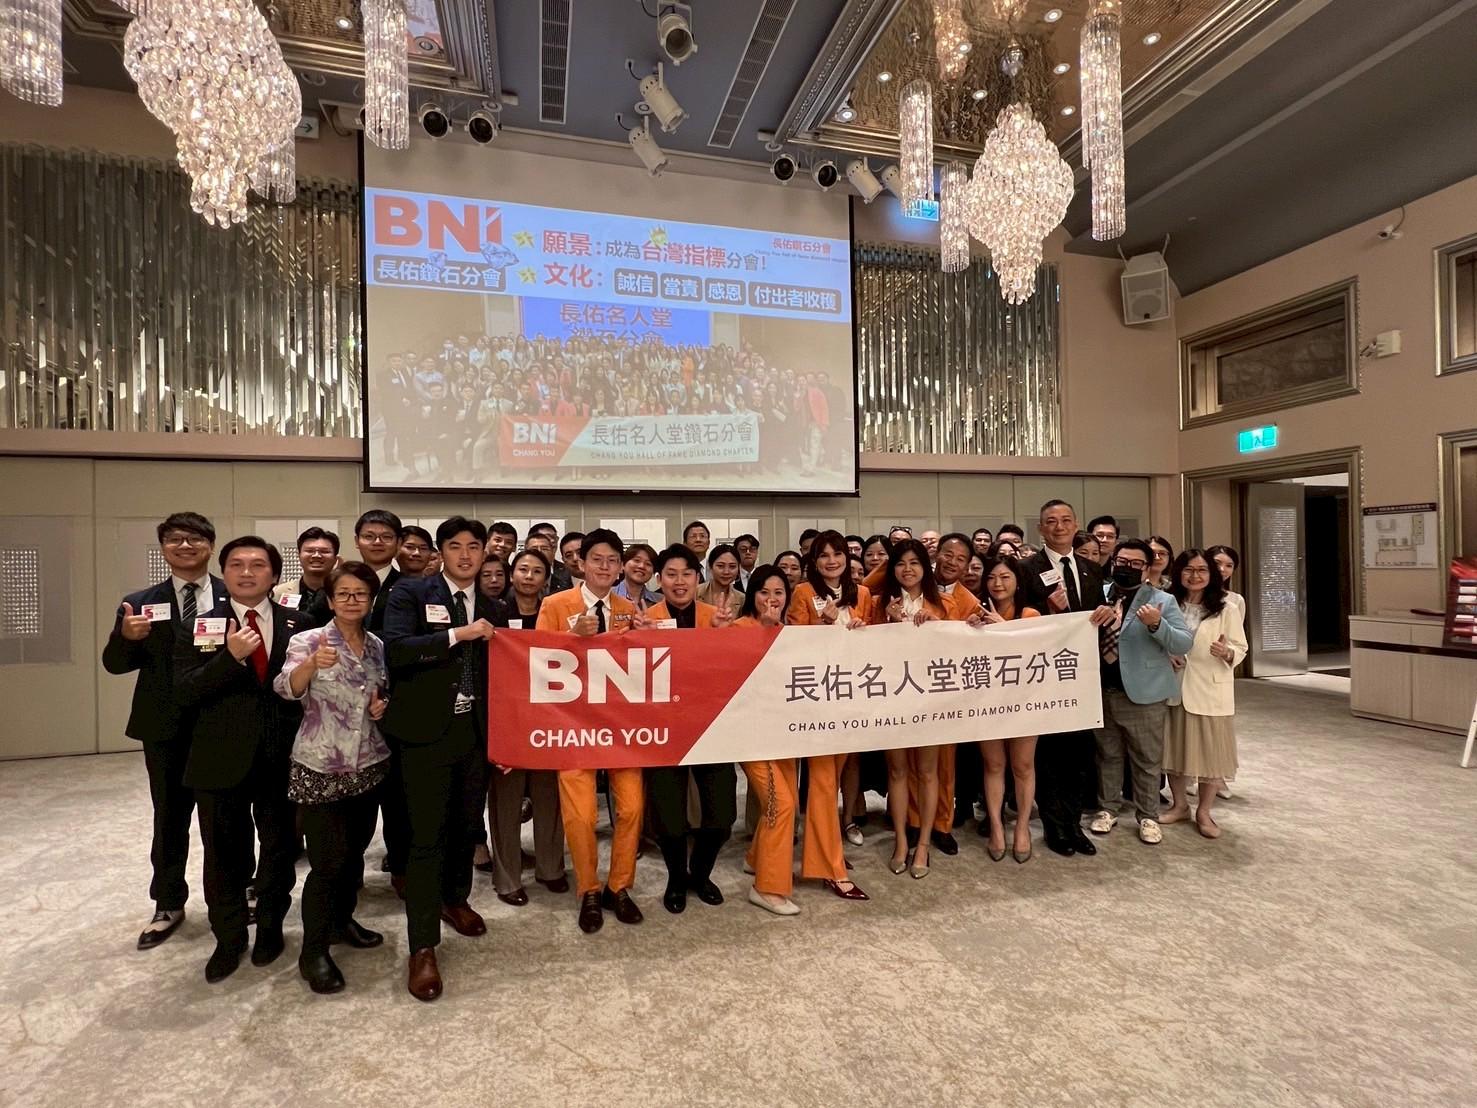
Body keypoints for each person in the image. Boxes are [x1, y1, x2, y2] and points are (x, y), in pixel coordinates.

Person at [174, 536, 310, 984]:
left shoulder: (299, 622)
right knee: (224, 854)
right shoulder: (199, 625)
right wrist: (229, 658)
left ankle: (270, 927)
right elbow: (184, 690)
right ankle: (228, 937)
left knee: (278, 849)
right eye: (236, 564)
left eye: (257, 565)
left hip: (281, 757)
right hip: (218, 759)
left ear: (274, 574)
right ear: (224, 572)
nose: (247, 572)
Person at [380, 517, 497, 1002]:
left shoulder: (494, 603)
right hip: (425, 735)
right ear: (440, 552)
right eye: (455, 546)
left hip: (476, 735)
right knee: (426, 838)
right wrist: (457, 635)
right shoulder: (410, 593)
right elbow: (395, 651)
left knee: (466, 827)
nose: (465, 555)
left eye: (474, 546)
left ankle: (455, 899)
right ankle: (422, 945)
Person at [102, 510, 228, 950]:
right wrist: (126, 638)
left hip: (220, 723)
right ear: (164, 549)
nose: (185, 546)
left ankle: (231, 898)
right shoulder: (139, 602)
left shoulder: (232, 595)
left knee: (223, 819)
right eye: (175, 539)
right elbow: (115, 665)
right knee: (170, 817)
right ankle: (168, 902)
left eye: (195, 538)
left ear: (210, 545)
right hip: (165, 727)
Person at [273, 561, 390, 994]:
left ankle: (343, 921)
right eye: (344, 593)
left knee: (354, 855)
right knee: (326, 863)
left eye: (360, 593)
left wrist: (381, 706)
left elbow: (378, 692)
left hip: (367, 763)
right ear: (330, 599)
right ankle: (314, 951)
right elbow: (285, 688)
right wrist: (311, 666)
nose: (352, 600)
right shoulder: (309, 640)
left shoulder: (377, 645)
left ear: (371, 599)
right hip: (320, 764)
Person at [536, 529, 645, 934]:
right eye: (597, 559)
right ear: (581, 563)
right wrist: (571, 639)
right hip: (572, 725)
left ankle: (620, 885)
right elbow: (533, 659)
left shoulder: (627, 607)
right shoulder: (555, 604)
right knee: (581, 816)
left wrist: (647, 637)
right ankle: (589, 889)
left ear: (620, 568)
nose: (605, 567)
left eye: (612, 560)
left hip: (620, 726)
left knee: (631, 807)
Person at [636, 545, 737, 913]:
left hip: (711, 727)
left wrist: (724, 636)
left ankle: (701, 873)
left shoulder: (716, 616)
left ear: (698, 578)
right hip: (663, 730)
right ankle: (677, 878)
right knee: (669, 819)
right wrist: (639, 640)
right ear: (658, 579)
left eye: (687, 574)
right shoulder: (645, 619)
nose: (679, 582)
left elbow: (735, 671)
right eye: (671, 574)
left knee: (722, 817)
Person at [1088, 539, 1194, 845]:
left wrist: (1156, 625)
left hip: (1144, 692)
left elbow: (1183, 642)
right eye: (1122, 562)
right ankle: (1107, 809)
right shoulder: (1099, 594)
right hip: (1102, 690)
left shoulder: (1162, 600)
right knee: (1107, 755)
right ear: (1113, 563)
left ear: (1147, 569)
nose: (1128, 568)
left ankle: (1147, 815)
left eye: (1136, 564)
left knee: (1146, 759)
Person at [785, 530, 869, 901]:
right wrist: (822, 624)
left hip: (852, 698)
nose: (831, 561)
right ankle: (830, 867)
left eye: (837, 554)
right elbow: (792, 644)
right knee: (820, 782)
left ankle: (825, 849)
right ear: (813, 561)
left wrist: (864, 630)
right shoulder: (804, 593)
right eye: (823, 555)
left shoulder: (861, 594)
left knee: (832, 779)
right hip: (816, 699)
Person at [1020, 500, 1107, 857]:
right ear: (1040, 528)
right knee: (1050, 755)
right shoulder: (1026, 569)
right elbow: (1018, 621)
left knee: (1079, 753)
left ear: (1076, 525)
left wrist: (1106, 615)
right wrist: (1047, 611)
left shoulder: (1092, 568)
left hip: (1082, 673)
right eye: (1051, 521)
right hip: (1043, 673)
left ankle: (1074, 824)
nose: (1059, 527)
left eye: (1066, 520)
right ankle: (1055, 827)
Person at [484, 549, 568, 904]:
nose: (529, 576)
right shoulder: (492, 612)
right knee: (506, 801)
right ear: (511, 574)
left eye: (537, 571)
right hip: (507, 717)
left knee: (550, 797)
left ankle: (551, 868)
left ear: (546, 578)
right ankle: (507, 878)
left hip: (550, 718)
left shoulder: (555, 612)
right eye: (523, 569)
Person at [870, 539, 954, 879]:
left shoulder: (944, 604)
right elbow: (864, 652)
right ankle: (901, 840)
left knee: (928, 772)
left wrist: (937, 626)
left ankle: (923, 844)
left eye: (914, 562)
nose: (907, 569)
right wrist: (887, 624)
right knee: (897, 771)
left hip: (931, 700)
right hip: (892, 698)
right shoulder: (878, 605)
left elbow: (962, 649)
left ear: (925, 568)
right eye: (901, 563)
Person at [1162, 550, 1248, 839]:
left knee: (1212, 754)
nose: (1195, 576)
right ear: (1178, 572)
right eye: (1188, 569)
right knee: (1175, 749)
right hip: (1174, 685)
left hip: (1210, 688)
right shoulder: (1167, 602)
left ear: (1211, 575)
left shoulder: (1227, 608)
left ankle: (1204, 812)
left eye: (1202, 570)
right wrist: (1165, 654)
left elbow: (1240, 647)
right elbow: (1156, 639)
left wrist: (1227, 652)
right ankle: (1180, 805)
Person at [732, 566, 800, 915]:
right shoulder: (738, 629)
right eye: (763, 592)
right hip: (751, 735)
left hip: (783, 732)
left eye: (778, 593)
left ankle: (756, 858)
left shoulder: (791, 631)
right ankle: (767, 888)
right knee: (779, 804)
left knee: (787, 800)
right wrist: (767, 634)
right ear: (752, 595)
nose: (771, 600)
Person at [973, 555, 1042, 863]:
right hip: (987, 703)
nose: (997, 584)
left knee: (1023, 766)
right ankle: (997, 827)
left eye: (1005, 577)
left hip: (1024, 702)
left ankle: (1023, 827)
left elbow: (1037, 654)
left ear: (1017, 581)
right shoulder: (976, 613)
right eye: (991, 578)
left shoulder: (1029, 613)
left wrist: (1003, 629)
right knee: (993, 765)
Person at [272, 526, 338, 623]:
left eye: (324, 551)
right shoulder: (278, 593)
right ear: (299, 556)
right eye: (310, 551)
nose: (316, 555)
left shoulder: (345, 593)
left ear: (335, 559)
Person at [353, 510, 404, 633]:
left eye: (386, 537)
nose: (377, 542)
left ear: (398, 543)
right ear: (357, 541)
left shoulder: (410, 585)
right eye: (368, 536)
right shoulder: (340, 582)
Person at [1206, 544, 1246, 621]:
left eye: (1229, 566)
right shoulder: (1194, 595)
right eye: (1217, 563)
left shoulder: (1236, 599)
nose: (1222, 569)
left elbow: (1236, 628)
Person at [697, 543, 742, 611]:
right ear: (710, 566)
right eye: (720, 566)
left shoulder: (742, 599)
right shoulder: (695, 593)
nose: (726, 572)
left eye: (732, 566)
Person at [613, 542, 661, 607]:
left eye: (648, 564)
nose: (642, 566)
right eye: (637, 560)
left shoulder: (660, 601)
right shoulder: (606, 596)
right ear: (623, 565)